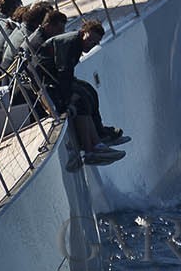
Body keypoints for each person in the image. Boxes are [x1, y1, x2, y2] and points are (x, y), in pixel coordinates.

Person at [46, 19, 125, 166]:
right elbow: (63, 72)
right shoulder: (71, 43)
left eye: (95, 43)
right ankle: (89, 151)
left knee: (89, 91)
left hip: (55, 77)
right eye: (89, 40)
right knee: (81, 101)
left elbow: (66, 74)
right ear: (83, 32)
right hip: (47, 81)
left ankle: (99, 137)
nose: (91, 44)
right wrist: (68, 100)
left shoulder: (77, 43)